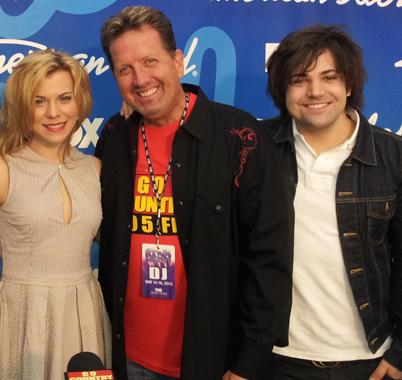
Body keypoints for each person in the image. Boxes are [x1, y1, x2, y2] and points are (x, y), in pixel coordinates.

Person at [95, 6, 294, 380]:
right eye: (125, 69)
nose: (140, 79)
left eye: (150, 60)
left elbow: (269, 260)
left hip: (213, 358)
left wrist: (248, 361)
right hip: (126, 355)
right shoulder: (115, 137)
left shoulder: (241, 139)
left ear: (178, 60)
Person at [262, 25, 402, 380]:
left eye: (329, 77)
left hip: (370, 360)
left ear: (349, 84)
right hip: (274, 358)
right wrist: (140, 106)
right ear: (283, 88)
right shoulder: (254, 147)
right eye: (299, 79)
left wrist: (401, 351)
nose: (315, 91)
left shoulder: (393, 156)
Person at [0, 49, 111, 379]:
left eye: (64, 98)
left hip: (85, 311)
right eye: (39, 101)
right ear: (23, 106)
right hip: (24, 312)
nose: (54, 112)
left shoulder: (94, 169)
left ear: (79, 101)